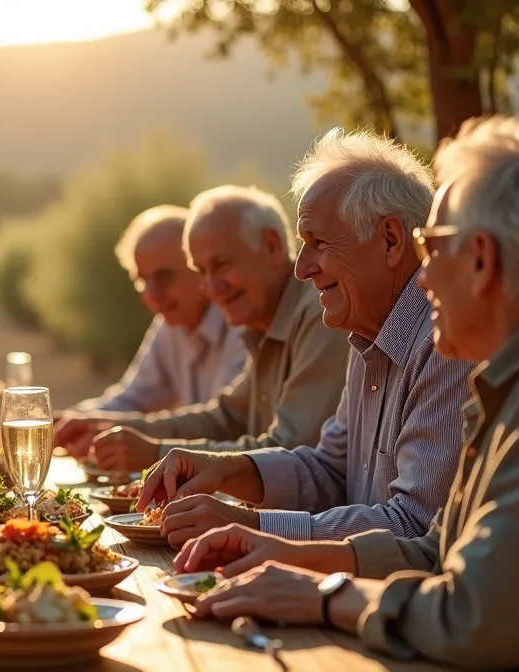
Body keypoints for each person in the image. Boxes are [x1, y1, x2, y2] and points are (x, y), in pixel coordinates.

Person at [172, 116, 519, 670]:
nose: (425, 277)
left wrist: (324, 595)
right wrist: (289, 554)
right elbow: (440, 550)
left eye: (432, 248)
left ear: (483, 258)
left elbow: (476, 619)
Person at [136, 128, 472, 547]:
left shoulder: (448, 343)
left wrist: (251, 527)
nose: (303, 268)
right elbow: (330, 469)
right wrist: (225, 469)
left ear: (389, 240)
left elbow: (414, 524)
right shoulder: (368, 333)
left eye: (318, 243)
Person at [58, 185, 350, 475]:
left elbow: (289, 450)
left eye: (221, 265)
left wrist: (157, 452)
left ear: (272, 247)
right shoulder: (263, 321)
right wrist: (107, 426)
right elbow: (226, 417)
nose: (210, 289)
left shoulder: (318, 313)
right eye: (201, 272)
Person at [68, 205, 249, 417]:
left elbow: (225, 424)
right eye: (142, 280)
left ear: (201, 270)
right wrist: (66, 421)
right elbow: (132, 399)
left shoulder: (242, 325)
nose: (151, 294)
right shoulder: (170, 325)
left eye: (164, 277)